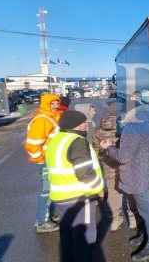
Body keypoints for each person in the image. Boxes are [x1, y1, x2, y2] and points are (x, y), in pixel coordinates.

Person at [99, 103, 149, 261]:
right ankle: (145, 234)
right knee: (144, 209)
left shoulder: (131, 128)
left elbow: (123, 157)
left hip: (136, 176)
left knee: (146, 212)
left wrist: (109, 148)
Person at [45, 110, 105, 262]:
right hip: (78, 197)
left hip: (61, 196)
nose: (87, 124)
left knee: (67, 236)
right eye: (84, 122)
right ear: (76, 125)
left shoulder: (56, 140)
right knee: (83, 239)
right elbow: (85, 173)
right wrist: (99, 189)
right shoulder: (76, 142)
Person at [25, 93, 62, 233]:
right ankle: (42, 222)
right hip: (47, 161)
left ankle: (48, 216)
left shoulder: (53, 116)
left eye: (57, 103)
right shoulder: (42, 120)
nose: (56, 105)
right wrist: (40, 160)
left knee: (52, 189)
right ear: (45, 104)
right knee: (47, 191)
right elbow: (33, 144)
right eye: (52, 103)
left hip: (53, 159)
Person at [91, 102, 128, 230]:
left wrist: (102, 158)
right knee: (130, 192)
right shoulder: (124, 126)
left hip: (108, 165)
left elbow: (95, 148)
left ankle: (114, 219)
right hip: (126, 164)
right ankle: (134, 218)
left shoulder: (99, 128)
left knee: (113, 192)